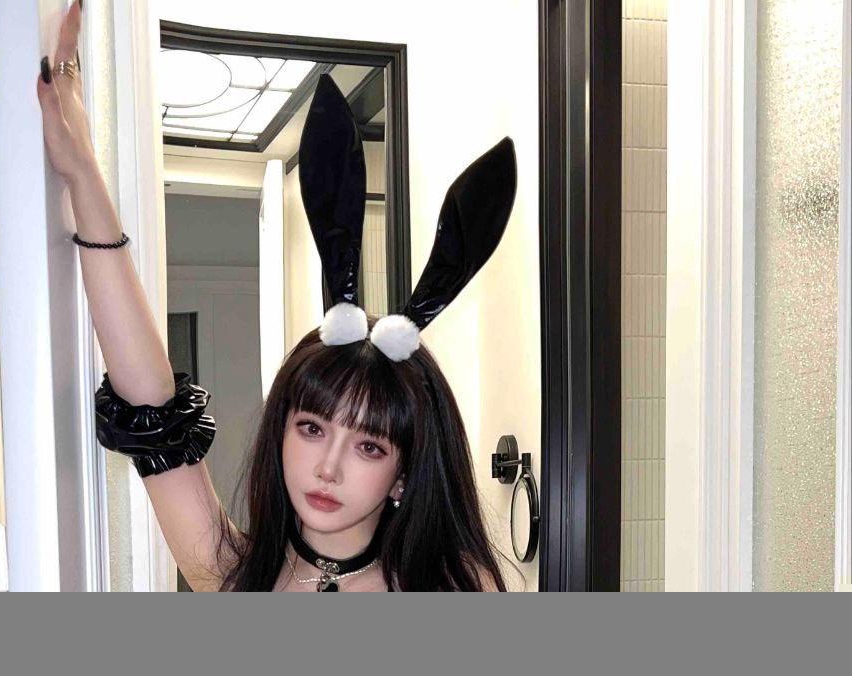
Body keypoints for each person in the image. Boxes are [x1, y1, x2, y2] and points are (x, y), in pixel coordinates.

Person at [38, 2, 524, 591]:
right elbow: (152, 406)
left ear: (404, 472)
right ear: (281, 431)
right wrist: (82, 173)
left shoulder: (458, 587)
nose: (328, 468)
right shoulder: (236, 572)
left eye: (369, 446)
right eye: (312, 428)